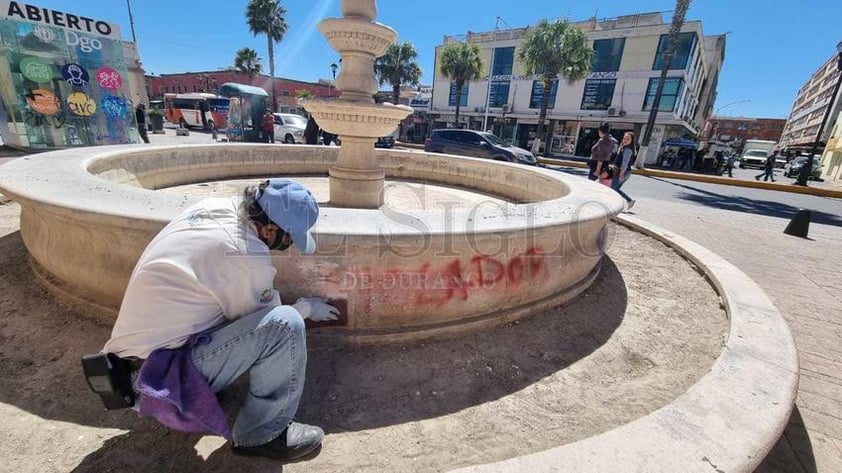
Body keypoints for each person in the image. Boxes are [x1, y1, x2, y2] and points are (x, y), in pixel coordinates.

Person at [101, 178, 337, 463]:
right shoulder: (244, 253)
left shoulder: (212, 207)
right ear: (270, 228)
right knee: (286, 326)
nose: (290, 246)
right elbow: (265, 322)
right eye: (289, 238)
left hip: (126, 366)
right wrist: (307, 309)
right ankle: (261, 434)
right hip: (158, 379)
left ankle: (205, 391)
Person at [610, 131, 636, 210]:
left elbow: (625, 163)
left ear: (631, 140)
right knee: (615, 189)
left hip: (623, 172)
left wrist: (621, 174)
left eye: (628, 139)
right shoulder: (624, 148)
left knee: (612, 189)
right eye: (624, 138)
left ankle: (615, 205)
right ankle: (629, 201)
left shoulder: (628, 150)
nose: (625, 140)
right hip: (625, 172)